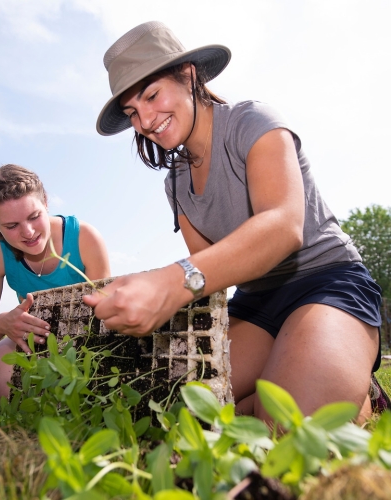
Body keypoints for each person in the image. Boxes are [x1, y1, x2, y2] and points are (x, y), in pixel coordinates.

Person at [84, 21, 382, 423]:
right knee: (181, 412)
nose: (146, 120)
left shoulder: (252, 122)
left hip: (325, 280)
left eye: (152, 96)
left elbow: (282, 225)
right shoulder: (176, 186)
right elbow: (212, 271)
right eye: (133, 112)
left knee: (288, 425)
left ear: (188, 76)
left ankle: (347, 379)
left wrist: (172, 282)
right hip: (256, 303)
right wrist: (149, 297)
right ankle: (306, 372)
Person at [0, 164, 110, 402]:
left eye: (34, 217)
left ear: (46, 203)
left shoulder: (85, 237)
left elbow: (105, 321)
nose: (28, 232)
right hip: (32, 342)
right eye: (11, 226)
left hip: (85, 343)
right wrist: (2, 324)